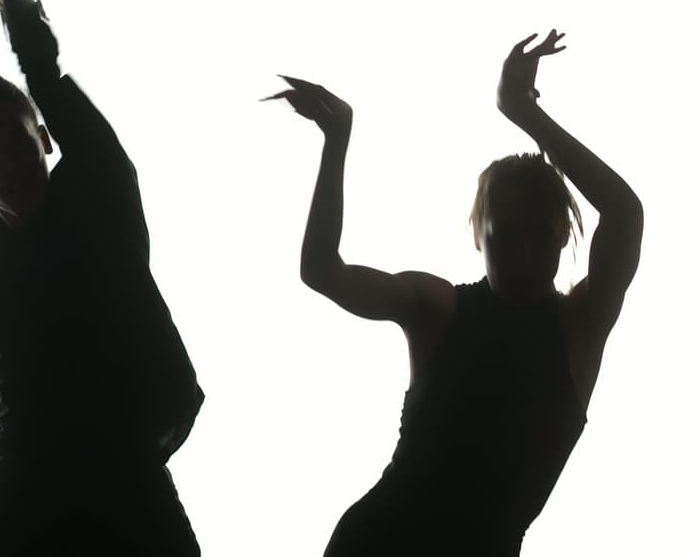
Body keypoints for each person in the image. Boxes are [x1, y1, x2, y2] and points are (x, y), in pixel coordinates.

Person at [267, 30, 644, 556]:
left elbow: (624, 211)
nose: (523, 256)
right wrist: (337, 140)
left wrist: (522, 111)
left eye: (540, 237)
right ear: (477, 235)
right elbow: (323, 271)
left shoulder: (580, 327)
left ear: (564, 235)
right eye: (505, 236)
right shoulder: (437, 307)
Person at [0, 0, 204, 556]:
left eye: (17, 141)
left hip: (129, 494)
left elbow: (53, 90)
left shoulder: (99, 203)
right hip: (24, 509)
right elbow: (0, 415)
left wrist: (21, 21)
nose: (8, 164)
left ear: (45, 139)